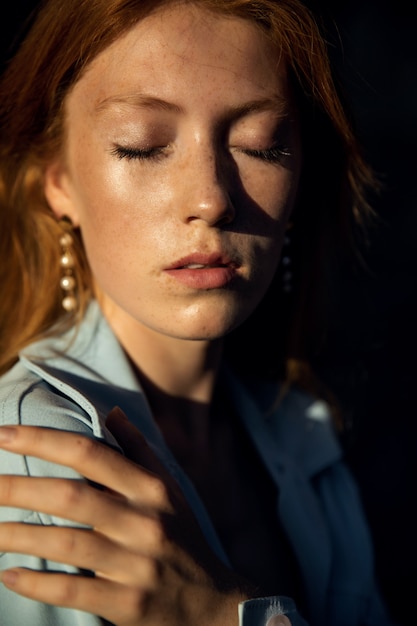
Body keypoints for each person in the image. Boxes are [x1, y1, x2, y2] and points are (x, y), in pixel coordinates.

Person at [0, 0, 396, 625]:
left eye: (259, 146)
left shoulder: (302, 432)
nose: (212, 199)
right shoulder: (35, 456)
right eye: (142, 146)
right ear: (57, 181)